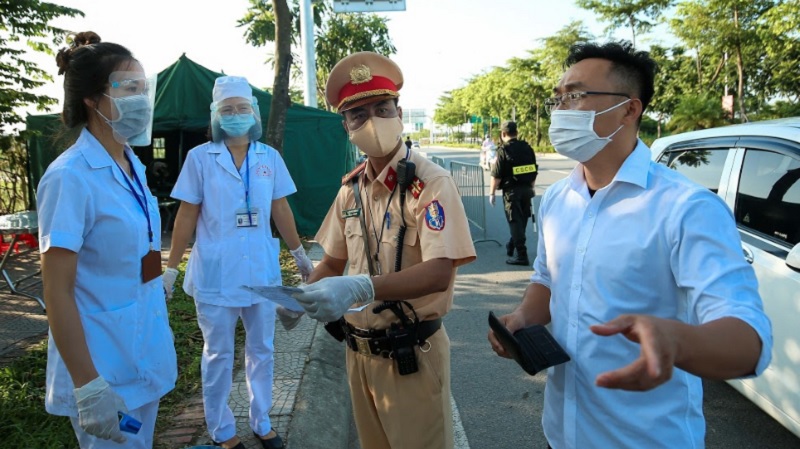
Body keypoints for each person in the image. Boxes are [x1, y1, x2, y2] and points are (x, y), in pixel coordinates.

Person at [487, 41, 773, 448]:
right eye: (558, 98)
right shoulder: (557, 199)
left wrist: (677, 340)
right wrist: (522, 319)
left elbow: (748, 339)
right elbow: (547, 278)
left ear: (629, 109)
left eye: (577, 95)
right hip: (560, 431)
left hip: (645, 439)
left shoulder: (686, 208)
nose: (561, 109)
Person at [291, 51, 476, 449]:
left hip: (412, 353)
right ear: (345, 125)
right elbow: (334, 260)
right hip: (357, 354)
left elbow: (440, 271)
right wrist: (297, 298)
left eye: (381, 107)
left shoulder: (430, 183)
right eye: (357, 114)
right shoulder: (350, 188)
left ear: (400, 112)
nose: (371, 120)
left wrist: (361, 288)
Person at [38, 31, 177, 448]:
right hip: (102, 366)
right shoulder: (70, 177)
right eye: (129, 88)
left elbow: (137, 249)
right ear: (93, 100)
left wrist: (158, 278)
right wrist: (87, 385)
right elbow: (56, 290)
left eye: (144, 88)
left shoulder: (131, 163)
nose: (142, 98)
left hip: (142, 349)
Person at [162, 76, 313, 449]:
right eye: (226, 109)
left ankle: (262, 421)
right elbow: (185, 216)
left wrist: (299, 255)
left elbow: (281, 208)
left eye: (241, 108)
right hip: (216, 273)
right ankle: (221, 431)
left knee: (262, 349)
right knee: (218, 354)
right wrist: (170, 267)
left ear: (253, 113)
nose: (235, 115)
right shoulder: (200, 158)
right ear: (215, 115)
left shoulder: (269, 158)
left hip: (261, 272)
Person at [489, 121, 537, 266]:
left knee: (515, 221)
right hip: (527, 189)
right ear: (516, 132)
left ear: (503, 134)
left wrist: (491, 193)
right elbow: (533, 170)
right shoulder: (527, 148)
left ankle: (521, 255)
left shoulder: (503, 150)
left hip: (511, 192)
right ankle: (513, 245)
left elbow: (496, 175)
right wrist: (531, 187)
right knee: (521, 220)